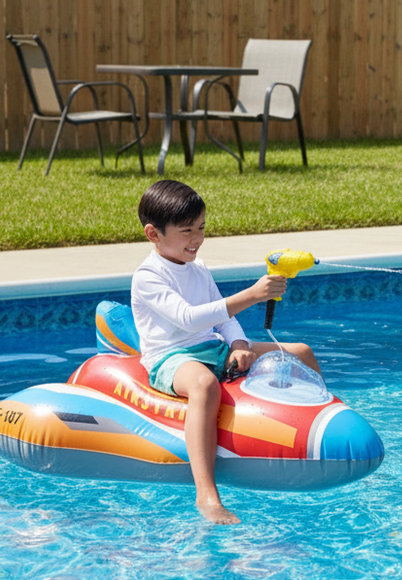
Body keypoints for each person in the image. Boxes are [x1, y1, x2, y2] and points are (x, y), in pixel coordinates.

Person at [131, 179, 321, 524]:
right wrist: (252, 295)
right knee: (204, 385)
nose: (197, 239)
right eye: (186, 231)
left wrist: (239, 344)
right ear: (153, 234)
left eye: (202, 228)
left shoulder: (198, 268)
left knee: (302, 352)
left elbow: (223, 316)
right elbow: (188, 319)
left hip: (212, 347)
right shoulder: (148, 276)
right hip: (171, 357)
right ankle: (206, 494)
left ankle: (320, 438)